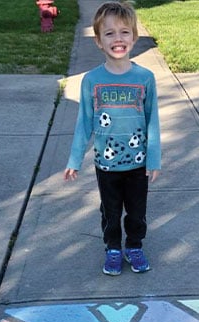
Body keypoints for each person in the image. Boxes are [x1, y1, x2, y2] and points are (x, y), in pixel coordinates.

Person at [64, 0, 161, 276]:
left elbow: (152, 119)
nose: (118, 39)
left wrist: (154, 158)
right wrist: (74, 159)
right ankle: (113, 249)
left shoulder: (145, 78)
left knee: (136, 212)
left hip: (138, 163)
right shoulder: (92, 80)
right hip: (106, 165)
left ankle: (134, 246)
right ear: (98, 41)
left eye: (124, 32)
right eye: (109, 33)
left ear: (134, 36)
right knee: (110, 212)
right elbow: (84, 122)